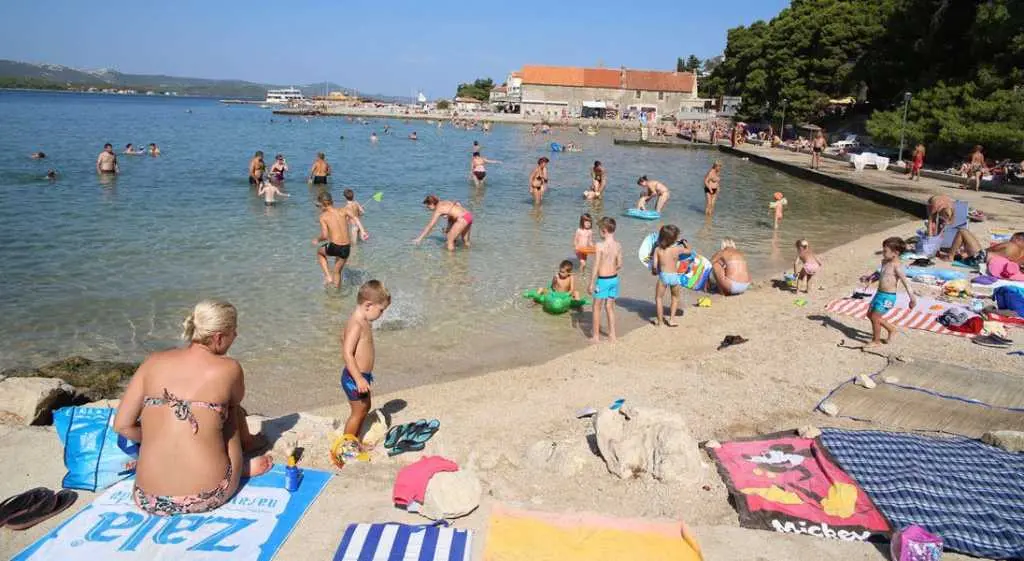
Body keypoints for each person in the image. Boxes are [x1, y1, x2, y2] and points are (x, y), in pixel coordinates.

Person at [113, 300, 273, 516]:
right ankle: (245, 455)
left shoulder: (152, 361)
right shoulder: (229, 368)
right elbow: (235, 403)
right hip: (208, 495)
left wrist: (156, 436)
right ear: (218, 337)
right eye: (234, 332)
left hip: (147, 497)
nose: (236, 336)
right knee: (232, 409)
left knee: (169, 415)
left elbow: (122, 426)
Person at [338, 280, 391, 458]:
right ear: (368, 305)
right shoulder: (356, 324)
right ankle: (346, 446)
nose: (382, 314)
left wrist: (364, 376)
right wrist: (359, 378)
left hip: (361, 376)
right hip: (354, 378)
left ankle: (355, 440)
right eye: (381, 310)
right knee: (358, 412)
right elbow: (347, 353)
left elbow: (343, 337)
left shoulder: (362, 320)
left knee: (365, 407)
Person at [859, 237, 916, 347]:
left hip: (888, 297)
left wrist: (912, 299)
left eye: (885, 251)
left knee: (875, 317)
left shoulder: (897, 267)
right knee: (870, 315)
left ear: (895, 253)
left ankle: (876, 341)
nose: (883, 253)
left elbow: (906, 283)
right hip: (879, 294)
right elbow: (880, 275)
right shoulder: (884, 262)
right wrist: (869, 278)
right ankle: (891, 329)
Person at [313, 191, 368, 288]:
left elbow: (325, 236)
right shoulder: (344, 210)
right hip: (346, 247)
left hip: (335, 246)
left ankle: (328, 276)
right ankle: (337, 292)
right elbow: (355, 218)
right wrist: (362, 231)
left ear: (322, 205)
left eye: (319, 206)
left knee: (319, 252)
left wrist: (317, 240)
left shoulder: (323, 217)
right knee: (337, 271)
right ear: (332, 201)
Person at [588, 217, 622, 343]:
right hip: (614, 279)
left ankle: (596, 336)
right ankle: (612, 335)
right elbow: (620, 264)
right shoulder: (618, 245)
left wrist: (591, 283)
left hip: (602, 280)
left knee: (596, 307)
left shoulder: (599, 245)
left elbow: (596, 265)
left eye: (599, 230)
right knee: (609, 307)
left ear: (604, 230)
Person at [650, 224, 691, 327]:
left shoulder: (658, 250)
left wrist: (654, 271)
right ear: (675, 239)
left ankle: (660, 322)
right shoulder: (677, 249)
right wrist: (685, 244)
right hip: (674, 276)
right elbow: (689, 252)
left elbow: (654, 266)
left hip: (663, 276)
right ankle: (671, 320)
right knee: (675, 297)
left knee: (659, 298)